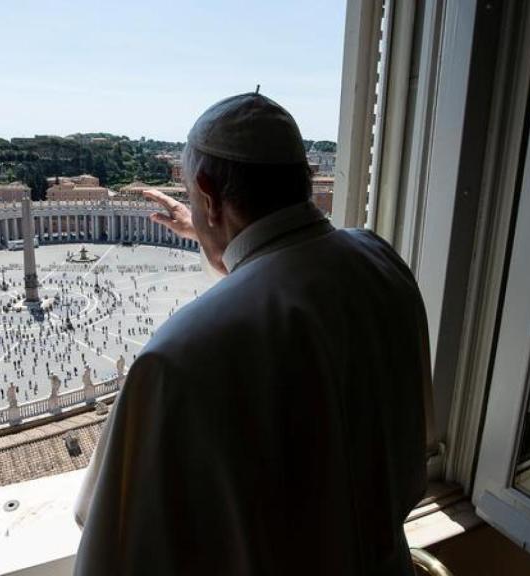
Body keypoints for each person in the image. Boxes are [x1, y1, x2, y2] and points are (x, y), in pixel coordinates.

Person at [74, 92, 431, 575]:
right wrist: (208, 229)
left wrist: (213, 229)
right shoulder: (379, 260)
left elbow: (106, 533)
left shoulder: (174, 357)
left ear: (207, 192)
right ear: (303, 179)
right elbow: (287, 285)